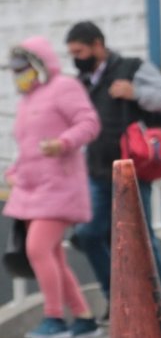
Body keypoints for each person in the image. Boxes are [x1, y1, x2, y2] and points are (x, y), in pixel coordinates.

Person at [64, 21, 161, 319]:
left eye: (80, 51)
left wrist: (136, 92)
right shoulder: (83, 81)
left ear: (98, 45)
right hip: (98, 172)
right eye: (72, 53)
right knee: (89, 234)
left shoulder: (132, 67)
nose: (77, 58)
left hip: (134, 169)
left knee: (142, 237)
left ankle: (158, 303)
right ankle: (115, 300)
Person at [4, 37, 102, 337]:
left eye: (23, 67)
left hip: (60, 186)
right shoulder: (28, 100)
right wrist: (14, 171)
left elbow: (89, 123)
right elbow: (28, 147)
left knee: (37, 248)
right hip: (34, 189)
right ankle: (84, 319)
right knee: (53, 256)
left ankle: (54, 318)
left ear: (38, 64)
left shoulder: (64, 87)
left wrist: (63, 143)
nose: (18, 73)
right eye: (15, 68)